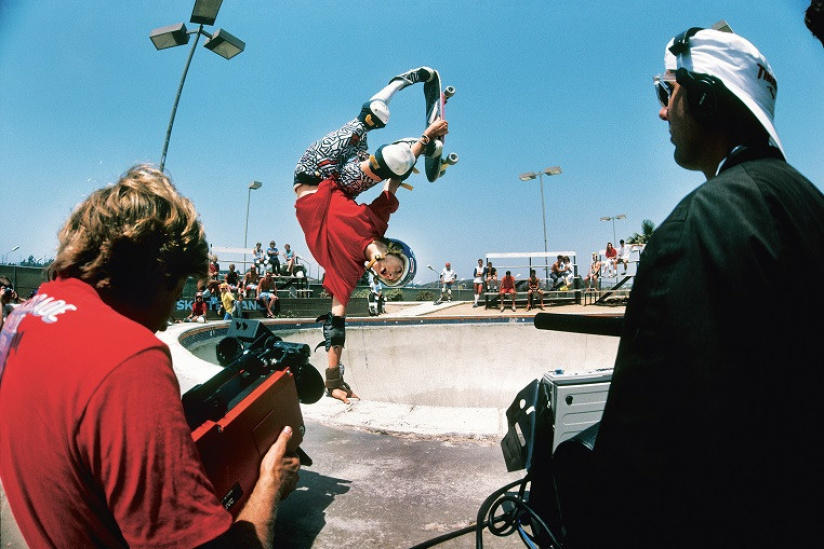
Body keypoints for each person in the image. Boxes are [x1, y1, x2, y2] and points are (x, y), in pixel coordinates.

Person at [573, 28, 824, 549]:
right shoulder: (808, 201)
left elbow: (642, 440)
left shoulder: (699, 223)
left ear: (706, 99)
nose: (662, 111)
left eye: (667, 92)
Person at [0, 165, 300, 548]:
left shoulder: (24, 316)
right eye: (179, 288)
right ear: (158, 276)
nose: (170, 314)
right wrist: (270, 485)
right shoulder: (129, 358)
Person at [293, 67, 448, 404]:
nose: (388, 274)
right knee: (383, 130)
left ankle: (414, 144)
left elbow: (335, 325)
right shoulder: (377, 223)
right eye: (396, 269)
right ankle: (400, 83)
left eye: (391, 279)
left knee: (398, 156)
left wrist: (333, 380)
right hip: (343, 174)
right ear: (394, 252)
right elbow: (392, 185)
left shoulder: (348, 271)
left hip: (312, 170)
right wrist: (425, 141)